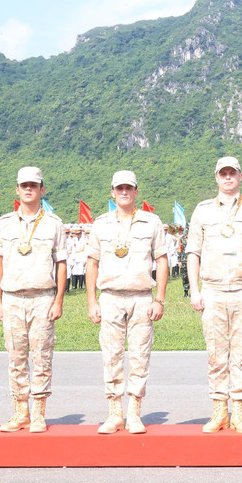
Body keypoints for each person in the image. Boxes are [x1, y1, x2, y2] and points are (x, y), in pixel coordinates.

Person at [186, 156, 242, 434]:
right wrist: (195, 290)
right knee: (215, 354)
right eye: (223, 174)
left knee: (241, 354)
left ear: (240, 176)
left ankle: (238, 411)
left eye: (232, 173)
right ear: (216, 177)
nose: (227, 178)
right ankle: (218, 411)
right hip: (212, 291)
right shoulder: (202, 211)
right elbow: (193, 252)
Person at [86, 171, 169, 434]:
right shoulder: (101, 224)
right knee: (111, 356)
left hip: (141, 297)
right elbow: (92, 263)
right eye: (119, 188)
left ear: (136, 192)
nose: (124, 192)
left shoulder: (151, 222)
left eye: (128, 188)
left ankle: (134, 412)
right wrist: (91, 301)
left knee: (140, 356)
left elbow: (162, 261)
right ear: (112, 192)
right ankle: (114, 414)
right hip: (110, 297)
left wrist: (160, 299)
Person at [0, 167, 68, 433]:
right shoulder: (4, 223)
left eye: (33, 186)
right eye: (24, 185)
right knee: (15, 356)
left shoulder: (53, 224)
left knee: (42, 355)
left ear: (42, 190)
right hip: (12, 297)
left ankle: (38, 412)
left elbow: (61, 264)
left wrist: (58, 300)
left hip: (42, 297)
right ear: (17, 189)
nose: (28, 189)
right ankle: (19, 411)